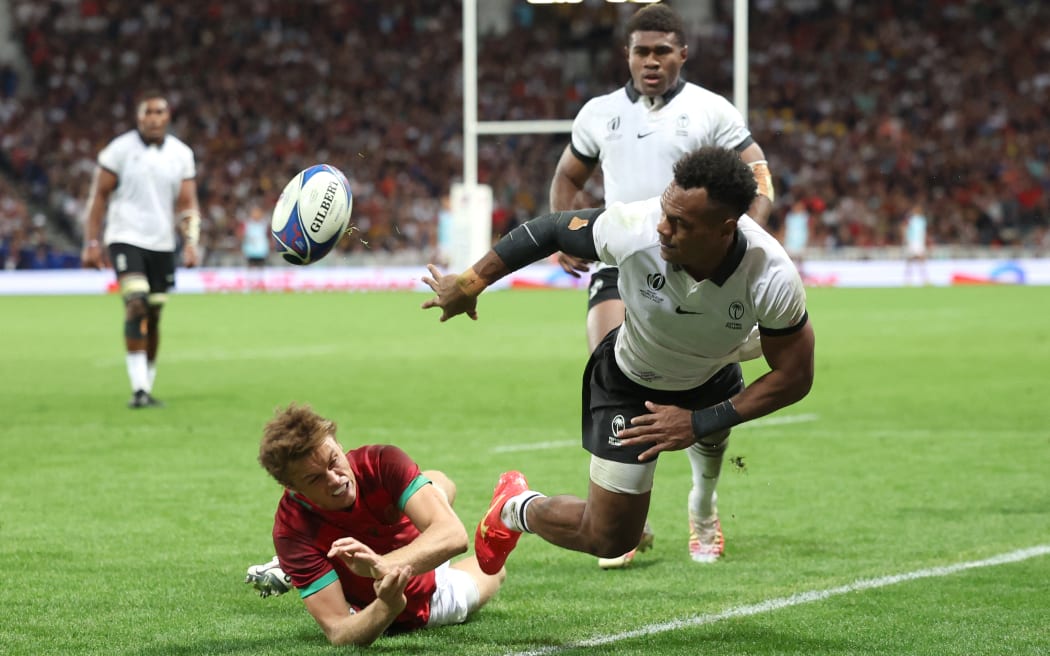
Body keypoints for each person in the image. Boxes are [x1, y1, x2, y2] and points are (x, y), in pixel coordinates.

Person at [422, 146, 814, 577]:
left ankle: (703, 507)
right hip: (632, 384)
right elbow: (550, 230)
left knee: (712, 439)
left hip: (713, 377)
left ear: (724, 228)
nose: (663, 228)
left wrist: (697, 421)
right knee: (610, 538)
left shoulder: (771, 274)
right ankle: (514, 509)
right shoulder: (634, 227)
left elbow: (794, 375)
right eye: (666, 212)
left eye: (681, 223)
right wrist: (471, 281)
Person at [547, 3, 777, 568]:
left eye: (661, 52)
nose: (650, 62)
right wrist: (563, 231)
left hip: (696, 266)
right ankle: (624, 514)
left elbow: (759, 175)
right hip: (623, 265)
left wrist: (748, 238)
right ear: (627, 54)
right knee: (619, 370)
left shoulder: (710, 110)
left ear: (682, 54)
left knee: (710, 385)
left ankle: (703, 503)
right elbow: (568, 176)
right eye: (641, 52)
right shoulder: (600, 114)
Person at [247, 403, 510, 647]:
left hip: (417, 541)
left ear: (338, 444)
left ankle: (302, 567)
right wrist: (387, 605)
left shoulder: (381, 462)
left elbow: (453, 535)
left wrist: (382, 565)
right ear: (292, 488)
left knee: (439, 481)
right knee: (494, 570)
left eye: (333, 461)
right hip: (428, 599)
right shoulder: (292, 530)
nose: (335, 479)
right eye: (315, 479)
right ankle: (304, 566)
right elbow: (339, 631)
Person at [80, 90, 202, 409]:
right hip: (125, 237)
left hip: (162, 243)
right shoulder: (118, 150)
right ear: (138, 118)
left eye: (159, 112)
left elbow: (187, 203)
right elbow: (99, 197)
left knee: (155, 313)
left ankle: (146, 383)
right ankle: (138, 389)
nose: (153, 118)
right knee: (136, 304)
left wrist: (191, 242)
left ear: (168, 116)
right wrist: (91, 242)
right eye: (147, 112)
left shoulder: (181, 154)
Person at [902, 202, 929, 285]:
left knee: (922, 259)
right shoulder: (911, 219)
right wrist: (906, 239)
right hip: (912, 242)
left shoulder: (922, 220)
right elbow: (904, 228)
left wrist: (925, 241)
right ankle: (907, 278)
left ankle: (924, 278)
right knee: (910, 259)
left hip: (920, 242)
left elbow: (924, 232)